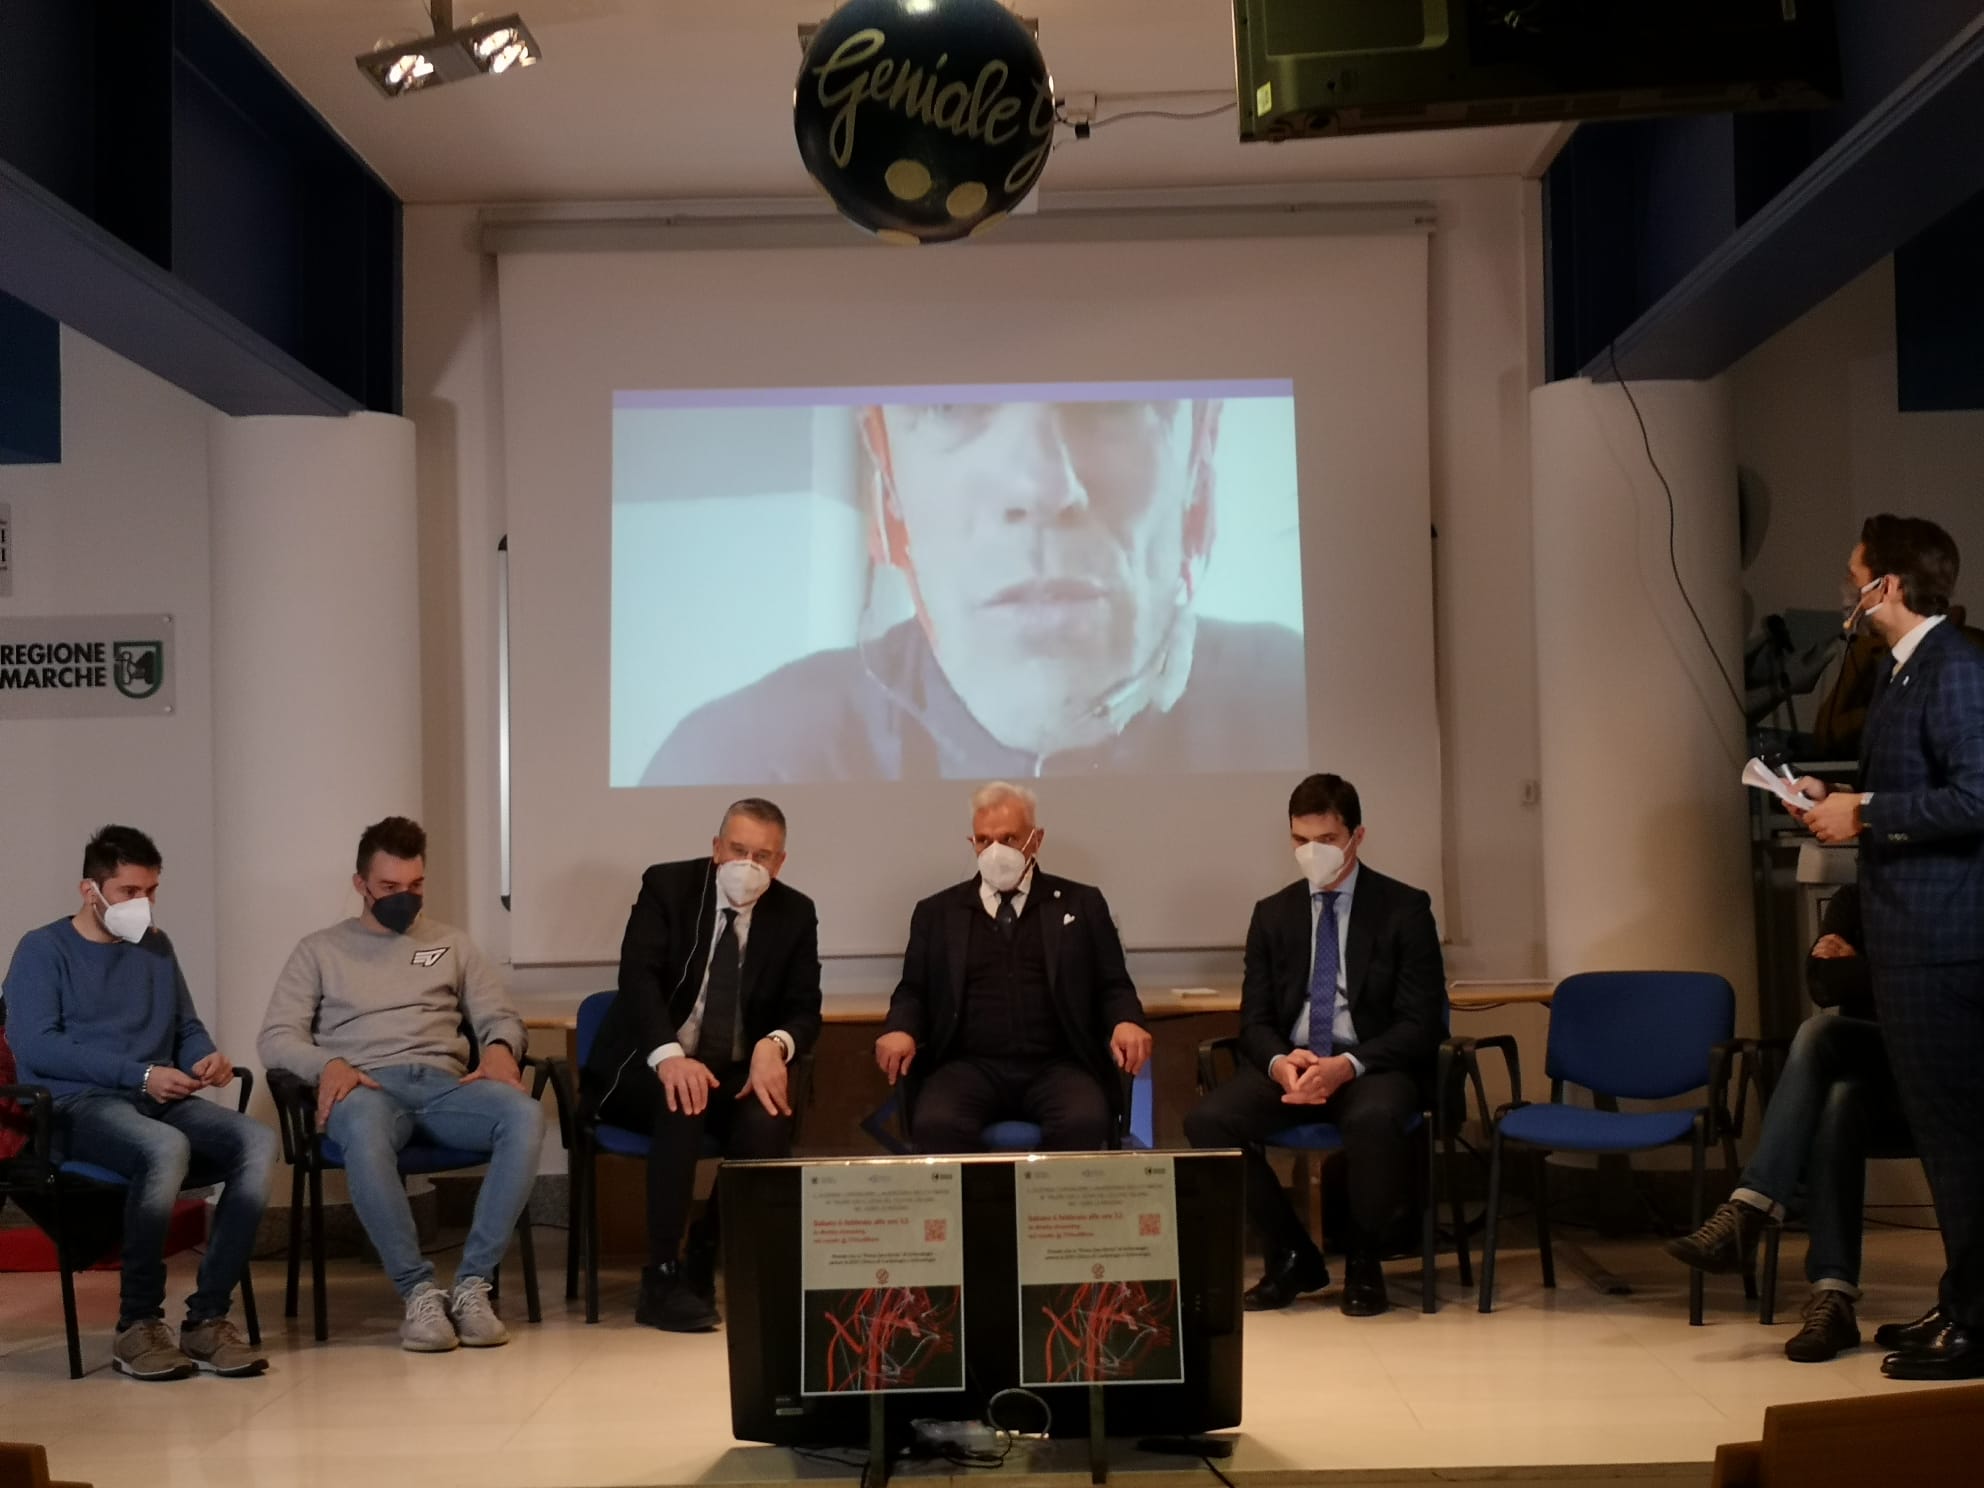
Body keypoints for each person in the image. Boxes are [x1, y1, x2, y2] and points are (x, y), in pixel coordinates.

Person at [641, 398, 1306, 783]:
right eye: (949, 407)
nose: (1041, 486)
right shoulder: (740, 763)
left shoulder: (1299, 702)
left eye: (1113, 401)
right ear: (888, 477)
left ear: (1200, 451)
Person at [1790, 514, 1984, 1381]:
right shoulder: (1905, 670)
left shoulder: (1956, 667)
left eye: (1855, 575)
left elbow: (1978, 796)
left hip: (1947, 943)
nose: (1849, 591)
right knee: (1948, 1140)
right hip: (1913, 940)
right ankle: (1963, 1297)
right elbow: (1916, 785)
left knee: (1961, 1140)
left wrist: (1865, 814)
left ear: (1889, 585)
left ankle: (1979, 1324)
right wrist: (1832, 796)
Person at [257, 816, 543, 1353]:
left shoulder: (451, 943)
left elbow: (500, 1017)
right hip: (366, 1087)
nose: (403, 898)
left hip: (444, 1086)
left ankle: (472, 1286)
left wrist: (502, 1048)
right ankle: (418, 1293)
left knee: (524, 1115)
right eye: (389, 887)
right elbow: (276, 1037)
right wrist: (327, 1065)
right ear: (360, 884)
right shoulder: (319, 950)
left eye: (415, 886)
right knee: (365, 1131)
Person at [2, 826, 272, 1380]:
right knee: (164, 1146)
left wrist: (205, 1057)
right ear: (90, 890)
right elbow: (36, 1045)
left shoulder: (156, 947)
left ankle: (207, 1318)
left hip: (154, 1099)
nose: (141, 904)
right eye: (128, 891)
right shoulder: (42, 949)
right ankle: (138, 1324)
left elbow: (185, 1027)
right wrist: (140, 1074)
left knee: (258, 1141)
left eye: (150, 891)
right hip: (75, 1107)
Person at [1183, 774, 1445, 1318]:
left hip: (1370, 1064)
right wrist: (1280, 1062)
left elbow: (1420, 1025)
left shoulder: (1403, 908)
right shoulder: (1273, 913)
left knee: (1373, 1119)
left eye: (1326, 840)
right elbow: (1254, 1019)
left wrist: (1347, 1065)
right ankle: (1292, 1254)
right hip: (1296, 1062)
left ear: (1357, 837)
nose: (1312, 853)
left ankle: (1365, 1261)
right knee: (1208, 1122)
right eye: (1300, 841)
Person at [583, 799, 823, 1332]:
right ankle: (660, 1277)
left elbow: (805, 1008)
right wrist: (671, 1057)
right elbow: (638, 980)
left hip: (731, 1068)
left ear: (780, 862)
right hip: (645, 1065)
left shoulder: (794, 912)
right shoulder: (668, 887)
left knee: (768, 1118)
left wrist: (775, 1045)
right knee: (683, 1101)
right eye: (738, 850)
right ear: (716, 849)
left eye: (763, 856)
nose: (748, 865)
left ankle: (706, 1252)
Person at [1664, 886, 1909, 1360]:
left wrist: (1857, 966)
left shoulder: (1947, 895)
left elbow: (1934, 989)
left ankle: (1751, 1209)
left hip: (1936, 1073)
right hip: (1872, 1079)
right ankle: (1833, 1298)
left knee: (1817, 1032)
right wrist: (1876, 971)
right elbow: (1823, 986)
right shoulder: (1854, 899)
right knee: (1838, 1100)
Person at [876, 781, 1152, 1151]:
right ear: (972, 843)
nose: (995, 851)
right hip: (967, 1066)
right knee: (937, 1125)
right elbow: (913, 991)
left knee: (1083, 1123)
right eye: (984, 840)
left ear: (1035, 840)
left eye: (1008, 839)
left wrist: (1126, 1021)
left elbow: (1112, 985)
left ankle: (1054, 1196)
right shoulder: (937, 912)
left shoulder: (1082, 904)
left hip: (1059, 1064)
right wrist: (901, 1028)